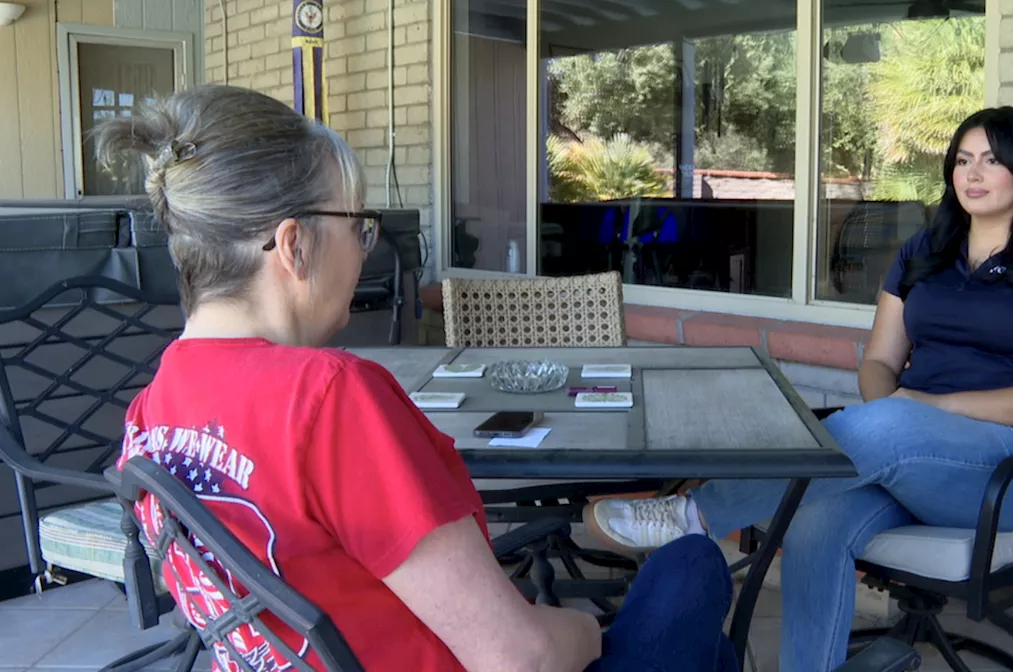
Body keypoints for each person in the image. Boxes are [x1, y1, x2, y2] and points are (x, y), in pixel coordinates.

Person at [105, 84, 738, 672]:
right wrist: (586, 631)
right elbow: (518, 659)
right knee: (692, 567)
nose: (364, 247)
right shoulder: (328, 398)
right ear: (294, 246)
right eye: (357, 226)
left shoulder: (150, 415)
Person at [585, 106, 1013, 672]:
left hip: (1005, 468)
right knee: (816, 521)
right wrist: (895, 416)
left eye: (991, 160)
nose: (973, 174)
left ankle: (696, 514)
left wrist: (924, 410)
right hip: (908, 452)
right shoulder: (922, 255)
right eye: (962, 160)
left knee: (887, 423)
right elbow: (880, 361)